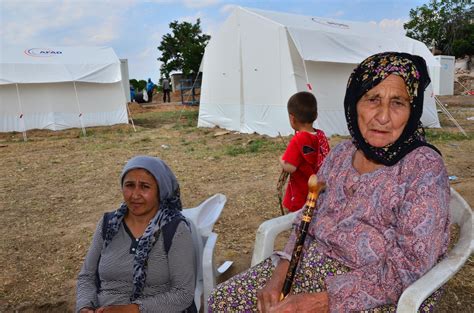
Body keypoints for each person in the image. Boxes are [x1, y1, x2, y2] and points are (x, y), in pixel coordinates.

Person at [208, 52, 451, 312]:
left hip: (379, 292)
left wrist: (322, 302)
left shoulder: (423, 168)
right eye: (373, 99)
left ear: (412, 109)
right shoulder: (341, 154)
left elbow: (411, 266)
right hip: (309, 265)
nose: (383, 116)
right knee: (221, 301)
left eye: (398, 103)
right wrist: (279, 274)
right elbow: (307, 219)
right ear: (354, 103)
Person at [76, 156, 196, 313]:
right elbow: (87, 276)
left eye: (145, 187)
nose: (135, 195)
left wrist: (132, 309)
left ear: (160, 191)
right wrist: (85, 307)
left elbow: (183, 294)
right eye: (129, 185)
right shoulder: (109, 225)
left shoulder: (174, 229)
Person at [280, 91, 330, 212]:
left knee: (299, 226)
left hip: (301, 196)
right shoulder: (320, 136)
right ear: (316, 115)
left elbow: (290, 167)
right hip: (320, 194)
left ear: (292, 118)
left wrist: (281, 159)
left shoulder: (298, 139)